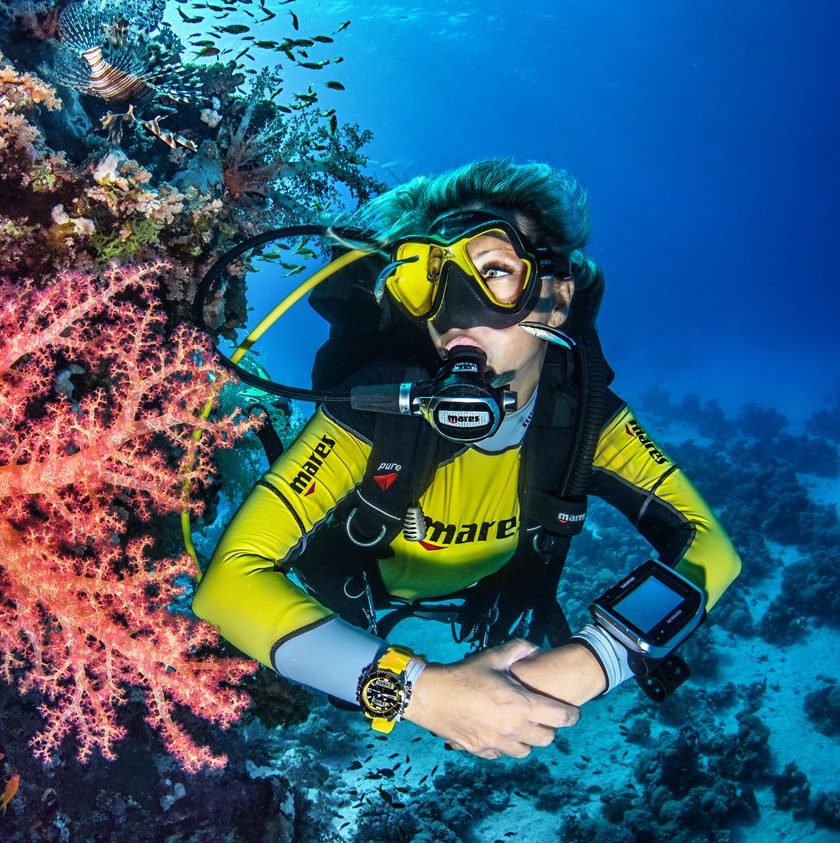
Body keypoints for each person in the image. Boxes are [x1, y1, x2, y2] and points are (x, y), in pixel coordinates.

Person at [192, 159, 742, 760]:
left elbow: (711, 549)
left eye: (496, 272)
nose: (456, 313)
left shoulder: (585, 421)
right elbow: (227, 585)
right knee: (341, 687)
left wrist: (592, 662)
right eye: (431, 278)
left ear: (556, 297)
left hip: (494, 591)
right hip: (353, 588)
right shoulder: (377, 409)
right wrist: (420, 694)